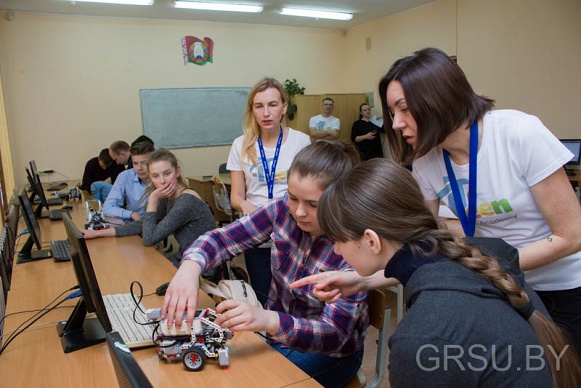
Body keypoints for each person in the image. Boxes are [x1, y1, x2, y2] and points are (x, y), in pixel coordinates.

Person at [293, 159, 581, 387]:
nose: (338, 251)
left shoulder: (423, 337)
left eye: (338, 240)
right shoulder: (483, 255)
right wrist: (360, 280)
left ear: (371, 240)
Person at [378, 47, 581, 354]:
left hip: (561, 286)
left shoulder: (518, 133)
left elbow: (571, 236)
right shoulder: (426, 162)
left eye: (404, 109)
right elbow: (423, 241)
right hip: (501, 285)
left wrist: (486, 264)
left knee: (564, 371)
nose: (395, 124)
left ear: (439, 99)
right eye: (393, 113)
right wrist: (361, 278)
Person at [162, 141, 368, 388]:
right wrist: (190, 267)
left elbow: (334, 335)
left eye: (313, 204)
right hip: (275, 333)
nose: (299, 212)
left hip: (329, 354)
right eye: (293, 198)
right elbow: (223, 238)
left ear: (341, 200)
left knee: (248, 379)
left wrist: (267, 320)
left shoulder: (354, 246)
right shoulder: (283, 209)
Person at [227, 77, 311, 305]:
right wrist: (246, 206)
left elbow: (311, 190)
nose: (266, 113)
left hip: (294, 234)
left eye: (272, 105)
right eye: (259, 106)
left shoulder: (301, 142)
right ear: (252, 110)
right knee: (264, 300)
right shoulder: (240, 144)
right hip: (257, 235)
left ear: (284, 107)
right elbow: (236, 196)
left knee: (295, 300)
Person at [83, 148, 216, 268]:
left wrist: (152, 199)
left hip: (201, 267)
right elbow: (141, 225)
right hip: (187, 259)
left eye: (167, 173)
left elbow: (149, 239)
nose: (162, 181)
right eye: (155, 176)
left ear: (178, 170)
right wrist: (97, 233)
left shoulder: (185, 201)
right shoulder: (169, 196)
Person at [102, 141, 154, 222]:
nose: (139, 168)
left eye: (144, 163)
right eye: (135, 163)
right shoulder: (125, 176)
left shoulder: (163, 178)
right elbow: (107, 208)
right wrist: (131, 214)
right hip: (134, 225)